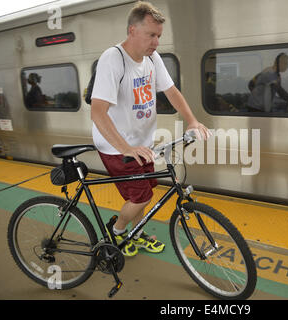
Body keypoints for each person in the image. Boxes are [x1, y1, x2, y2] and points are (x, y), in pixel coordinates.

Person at [90, 1, 210, 257]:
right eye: (151, 35)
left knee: (144, 191)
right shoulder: (113, 59)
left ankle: (136, 231)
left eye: (159, 36)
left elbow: (171, 90)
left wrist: (192, 120)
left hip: (141, 142)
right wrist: (126, 148)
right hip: (116, 145)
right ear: (132, 30)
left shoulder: (152, 58)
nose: (156, 42)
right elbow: (98, 111)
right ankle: (119, 232)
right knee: (140, 197)